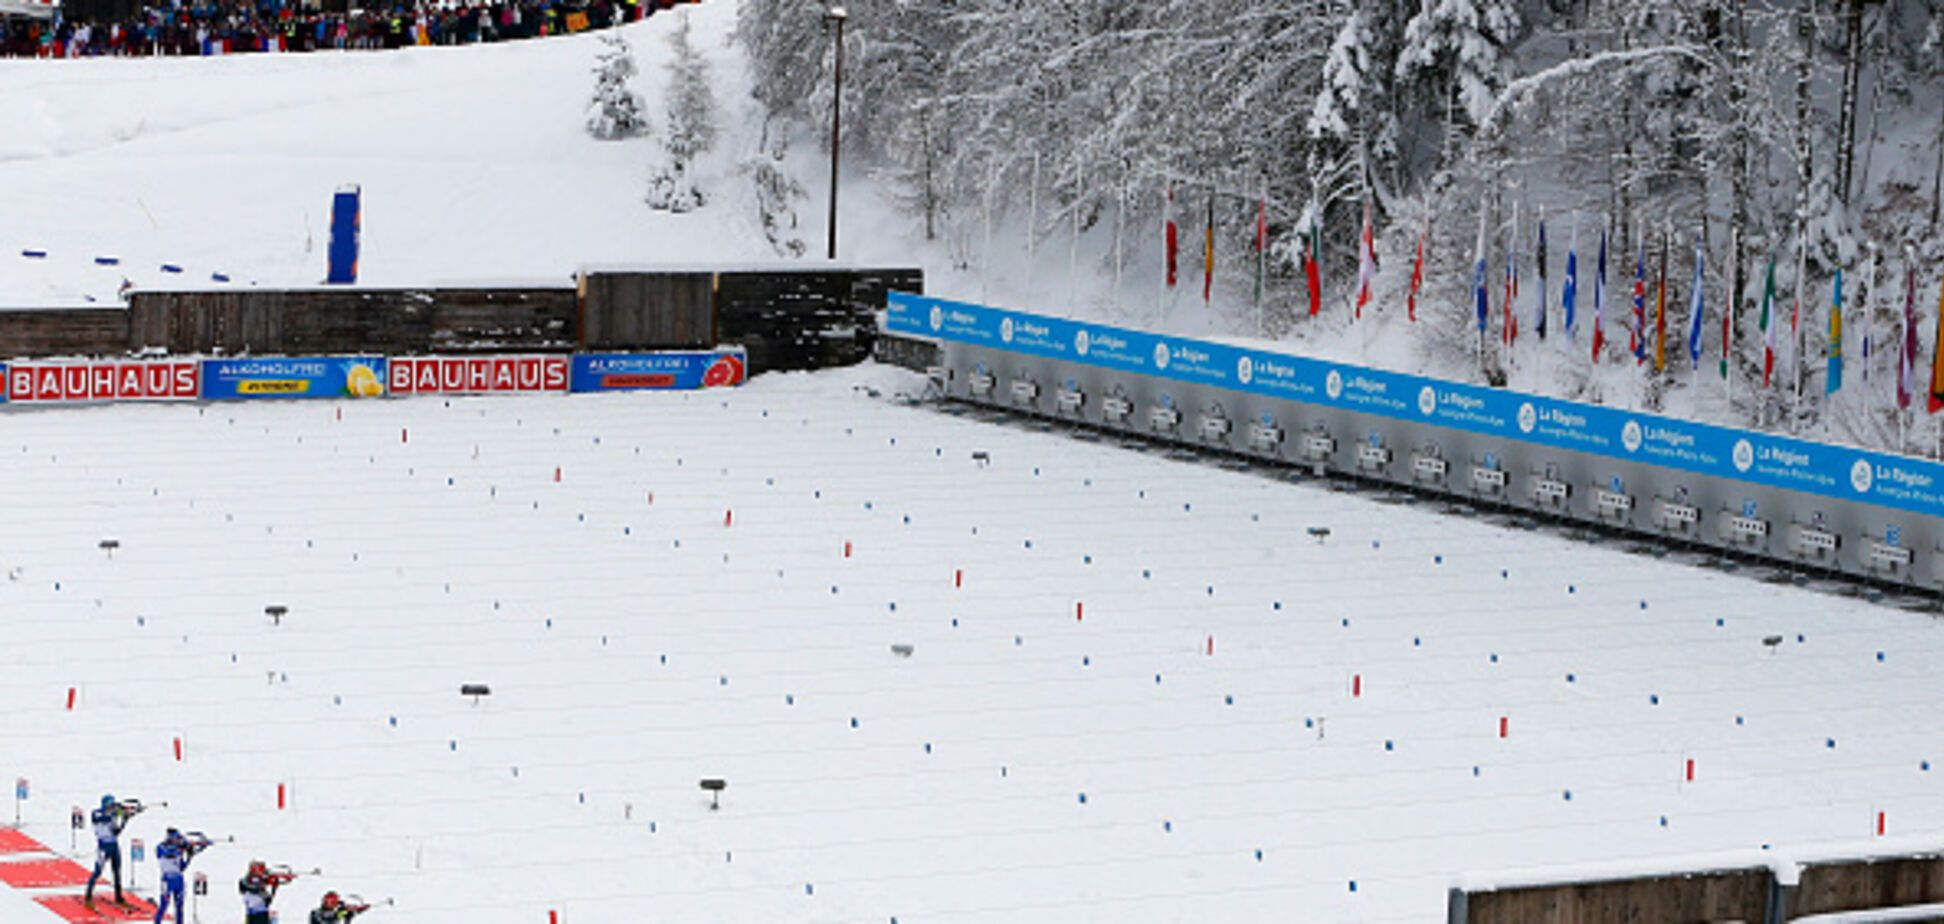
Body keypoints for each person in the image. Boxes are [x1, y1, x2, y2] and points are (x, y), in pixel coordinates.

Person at [84, 794, 138, 908]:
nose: (112, 807)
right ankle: (88, 897)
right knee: (97, 872)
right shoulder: (97, 813)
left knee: (117, 871)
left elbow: (116, 832)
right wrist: (118, 811)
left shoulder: (113, 815)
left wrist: (124, 820)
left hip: (114, 846)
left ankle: (118, 896)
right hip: (103, 847)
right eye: (110, 805)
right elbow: (102, 817)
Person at [152, 828, 209, 924]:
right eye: (175, 838)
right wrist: (182, 848)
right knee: (164, 905)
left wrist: (189, 856)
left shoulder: (179, 849)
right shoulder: (161, 847)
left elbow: (182, 868)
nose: (177, 840)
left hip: (179, 879)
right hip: (167, 879)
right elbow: (168, 853)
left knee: (179, 906)